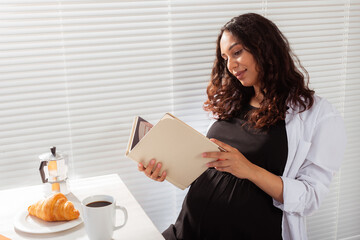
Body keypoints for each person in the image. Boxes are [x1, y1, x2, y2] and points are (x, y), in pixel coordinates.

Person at [137, 13, 346, 240]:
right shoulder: (231, 102)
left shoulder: (318, 115)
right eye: (225, 57)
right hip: (187, 229)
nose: (230, 65)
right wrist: (167, 166)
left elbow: (310, 198)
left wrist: (249, 170)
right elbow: (209, 167)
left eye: (237, 52)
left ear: (265, 48)